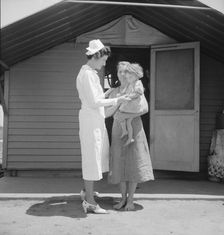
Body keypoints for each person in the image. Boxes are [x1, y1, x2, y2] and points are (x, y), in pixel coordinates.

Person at [76, 40, 130, 214]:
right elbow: (94, 101)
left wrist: (109, 95)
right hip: (91, 121)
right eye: (104, 60)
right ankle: (90, 202)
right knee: (91, 158)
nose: (105, 63)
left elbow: (96, 99)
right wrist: (116, 99)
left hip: (94, 119)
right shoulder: (87, 74)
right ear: (97, 56)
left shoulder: (89, 73)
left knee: (96, 156)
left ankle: (87, 192)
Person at [107, 61, 154, 211]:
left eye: (126, 72)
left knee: (134, 162)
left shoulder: (135, 88)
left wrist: (126, 114)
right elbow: (106, 113)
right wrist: (117, 109)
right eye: (120, 71)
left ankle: (131, 200)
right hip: (118, 128)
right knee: (119, 164)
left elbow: (145, 109)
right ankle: (122, 199)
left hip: (135, 126)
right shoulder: (113, 91)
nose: (123, 74)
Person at [118, 63, 146, 145]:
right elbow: (125, 92)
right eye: (127, 78)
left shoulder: (137, 83)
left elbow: (139, 92)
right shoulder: (130, 84)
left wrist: (129, 96)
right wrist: (122, 95)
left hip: (134, 106)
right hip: (131, 105)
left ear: (136, 75)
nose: (128, 79)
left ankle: (126, 132)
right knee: (128, 122)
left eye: (130, 77)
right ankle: (129, 136)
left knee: (121, 114)